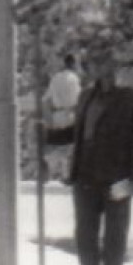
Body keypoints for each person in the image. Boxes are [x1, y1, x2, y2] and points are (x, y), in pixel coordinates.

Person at [67, 44, 133, 265]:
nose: (104, 70)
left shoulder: (132, 98)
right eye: (98, 64)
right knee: (85, 235)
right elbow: (78, 134)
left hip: (117, 177)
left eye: (110, 64)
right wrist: (46, 135)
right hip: (85, 177)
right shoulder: (85, 97)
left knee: (115, 235)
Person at [41, 53, 83, 181]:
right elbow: (78, 99)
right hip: (69, 114)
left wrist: (48, 119)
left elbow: (46, 100)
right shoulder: (74, 79)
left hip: (56, 114)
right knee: (70, 145)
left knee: (56, 143)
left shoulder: (56, 77)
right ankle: (66, 174)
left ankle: (51, 168)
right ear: (74, 64)